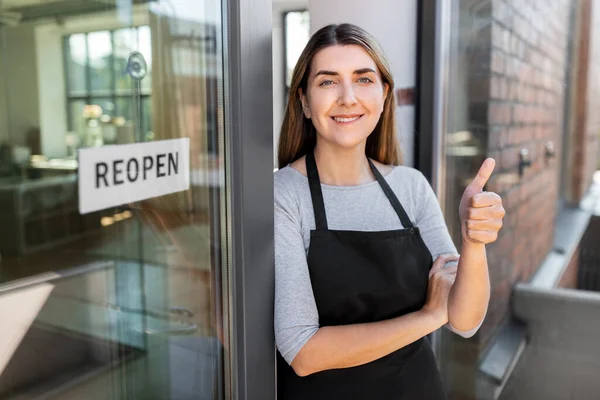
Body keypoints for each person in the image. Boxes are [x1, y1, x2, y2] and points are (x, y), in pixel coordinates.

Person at [274, 23, 505, 399]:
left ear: (383, 94)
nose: (348, 97)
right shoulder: (284, 194)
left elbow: (464, 322)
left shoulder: (411, 187)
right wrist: (428, 317)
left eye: (364, 80)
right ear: (303, 100)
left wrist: (473, 242)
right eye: (328, 82)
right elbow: (303, 351)